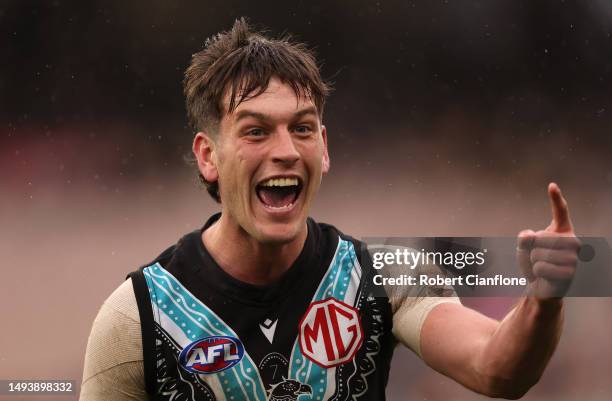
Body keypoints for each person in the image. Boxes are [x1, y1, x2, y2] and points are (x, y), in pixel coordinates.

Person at [80, 18, 581, 401]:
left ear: (323, 147)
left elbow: (498, 368)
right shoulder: (138, 316)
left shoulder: (386, 277)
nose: (286, 150)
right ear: (208, 156)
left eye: (301, 129)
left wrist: (544, 299)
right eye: (256, 131)